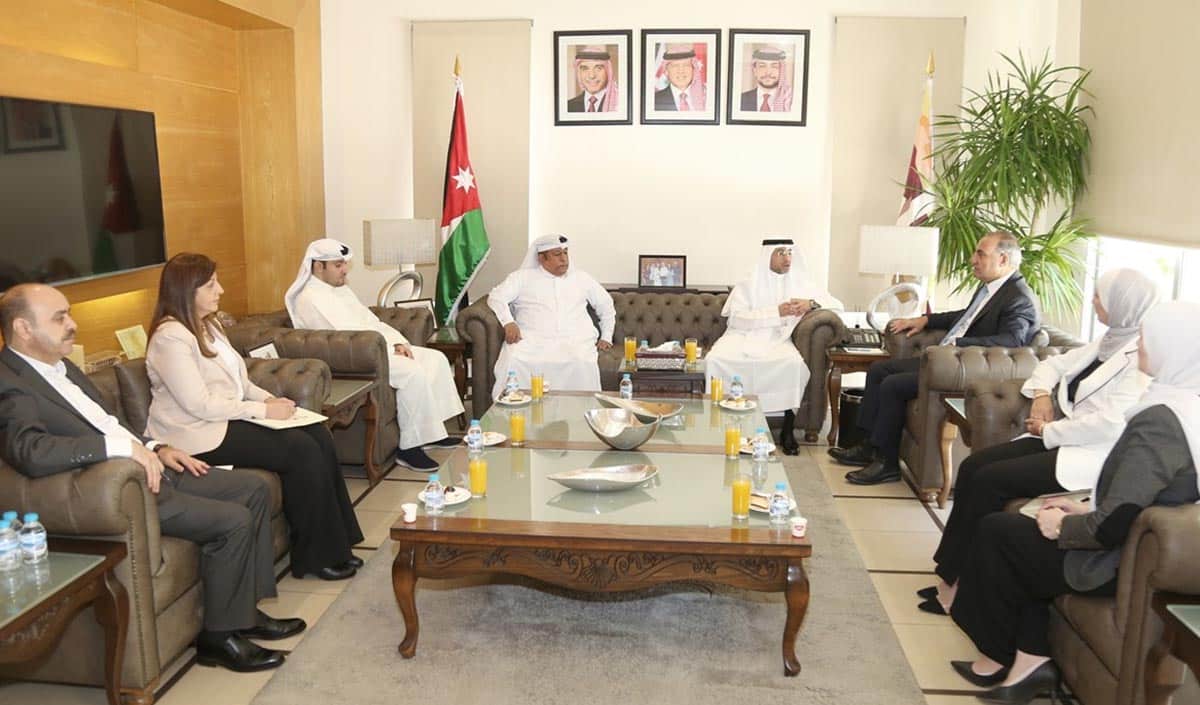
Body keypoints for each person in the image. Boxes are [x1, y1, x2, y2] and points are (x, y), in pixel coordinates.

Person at [0, 284, 304, 673]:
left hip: (152, 465)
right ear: (23, 328)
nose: (72, 324)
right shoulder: (11, 382)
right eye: (60, 318)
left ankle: (244, 614)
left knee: (254, 488)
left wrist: (157, 446)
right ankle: (218, 639)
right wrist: (124, 450)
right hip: (120, 489)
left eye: (69, 313)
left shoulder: (63, 366)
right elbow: (30, 451)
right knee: (233, 520)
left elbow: (109, 423)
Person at [946, 301, 1199, 704]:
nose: (1140, 344)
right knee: (1019, 529)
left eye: (1149, 337)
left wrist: (1066, 526)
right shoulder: (1185, 405)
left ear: (1174, 348)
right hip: (1130, 542)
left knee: (999, 532)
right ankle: (1030, 664)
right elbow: (1141, 500)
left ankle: (996, 654)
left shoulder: (1161, 422)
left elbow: (1115, 522)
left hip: (1117, 559)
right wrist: (1085, 510)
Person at [918, 268, 1159, 615]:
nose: (1093, 301)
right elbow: (1052, 365)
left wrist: (1048, 431)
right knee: (972, 466)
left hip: (1089, 455)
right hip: (1062, 438)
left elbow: (1109, 425)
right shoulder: (1108, 342)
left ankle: (960, 587)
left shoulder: (1141, 357)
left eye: (1099, 296)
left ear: (1122, 304)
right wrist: (1042, 395)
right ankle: (952, 573)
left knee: (989, 480)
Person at [145, 253, 364, 582]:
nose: (220, 290)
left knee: (318, 434)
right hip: (196, 434)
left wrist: (270, 399)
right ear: (186, 290)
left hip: (223, 421)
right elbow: (199, 404)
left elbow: (241, 382)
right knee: (300, 450)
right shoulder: (170, 337)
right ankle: (314, 558)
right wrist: (263, 412)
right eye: (210, 285)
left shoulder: (209, 325)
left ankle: (338, 542)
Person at [832, 232, 1040, 485]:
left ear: (1003, 259)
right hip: (949, 360)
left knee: (893, 385)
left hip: (966, 370)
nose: (973, 259)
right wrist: (925, 320)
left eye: (980, 254)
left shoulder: (1019, 298)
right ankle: (868, 445)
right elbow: (967, 316)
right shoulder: (992, 288)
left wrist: (959, 344)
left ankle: (887, 463)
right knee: (878, 370)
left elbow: (1012, 342)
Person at [285, 238, 464, 472]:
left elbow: (371, 321)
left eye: (344, 264)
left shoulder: (341, 290)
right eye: (338, 265)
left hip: (377, 348)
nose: (344, 270)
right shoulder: (309, 298)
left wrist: (397, 342)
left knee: (435, 359)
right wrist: (387, 349)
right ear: (319, 266)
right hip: (356, 360)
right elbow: (344, 339)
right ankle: (409, 449)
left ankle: (432, 433)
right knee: (412, 372)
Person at [706, 239, 842, 455]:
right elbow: (737, 319)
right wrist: (775, 313)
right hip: (740, 336)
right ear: (767, 255)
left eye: (789, 252)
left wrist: (810, 304)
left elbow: (837, 304)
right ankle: (720, 426)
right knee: (715, 360)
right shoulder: (748, 284)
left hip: (778, 337)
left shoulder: (801, 282)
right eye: (780, 253)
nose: (787, 258)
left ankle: (788, 429)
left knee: (793, 364)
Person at [487, 234, 615, 397]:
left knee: (582, 363)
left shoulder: (582, 278)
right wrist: (508, 322)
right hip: (532, 340)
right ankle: (515, 409)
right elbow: (496, 297)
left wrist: (606, 336)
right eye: (557, 254)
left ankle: (578, 410)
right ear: (541, 258)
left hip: (575, 340)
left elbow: (606, 305)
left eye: (565, 253)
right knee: (514, 360)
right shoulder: (522, 278)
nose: (564, 259)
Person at [739, 46, 793, 112]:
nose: (768, 72)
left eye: (774, 66)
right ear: (755, 70)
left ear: (782, 70)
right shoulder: (740, 100)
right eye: (762, 66)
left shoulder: (790, 101)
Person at [566, 45, 618, 113]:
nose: (592, 75)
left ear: (608, 71)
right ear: (579, 73)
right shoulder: (568, 106)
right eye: (585, 69)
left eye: (598, 68)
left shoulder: (619, 104)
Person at [654, 44, 705, 111]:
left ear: (693, 69)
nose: (681, 71)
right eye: (675, 66)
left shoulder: (706, 99)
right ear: (666, 71)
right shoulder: (655, 101)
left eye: (686, 65)